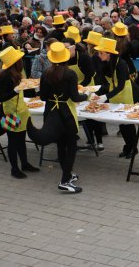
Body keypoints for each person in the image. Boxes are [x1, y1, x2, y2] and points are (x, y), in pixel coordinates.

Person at [39, 42, 88, 193]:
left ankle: (67, 174)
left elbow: (42, 97)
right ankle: (65, 180)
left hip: (51, 111)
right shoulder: (70, 74)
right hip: (65, 113)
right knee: (71, 145)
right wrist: (87, 95)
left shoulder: (46, 73)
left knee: (60, 144)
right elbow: (75, 97)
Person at [0, 46, 39, 178]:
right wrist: (15, 91)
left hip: (21, 111)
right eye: (19, 59)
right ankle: (14, 168)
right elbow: (1, 98)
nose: (22, 60)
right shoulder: (4, 77)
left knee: (21, 140)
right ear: (15, 62)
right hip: (11, 113)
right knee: (13, 142)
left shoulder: (15, 73)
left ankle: (24, 163)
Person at [94, 38, 139, 158]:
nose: (98, 55)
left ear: (109, 53)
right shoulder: (105, 64)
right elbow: (106, 83)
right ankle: (128, 146)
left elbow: (121, 86)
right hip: (114, 95)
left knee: (127, 124)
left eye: (101, 53)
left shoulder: (121, 64)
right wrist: (96, 94)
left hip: (125, 94)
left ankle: (133, 148)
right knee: (121, 123)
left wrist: (106, 96)